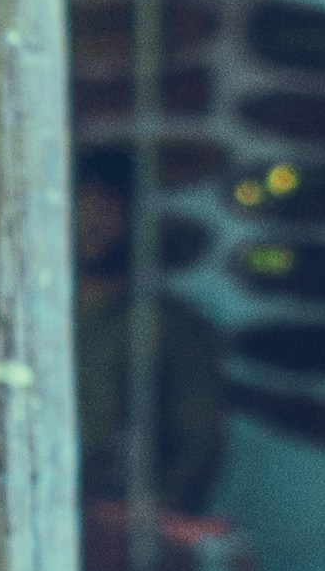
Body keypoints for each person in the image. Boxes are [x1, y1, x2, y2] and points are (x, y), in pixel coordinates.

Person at [72, 149, 231, 518]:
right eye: (83, 208)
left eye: (107, 210)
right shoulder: (35, 324)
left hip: (124, 529)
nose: (92, 225)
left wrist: (143, 516)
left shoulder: (172, 326)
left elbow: (200, 446)